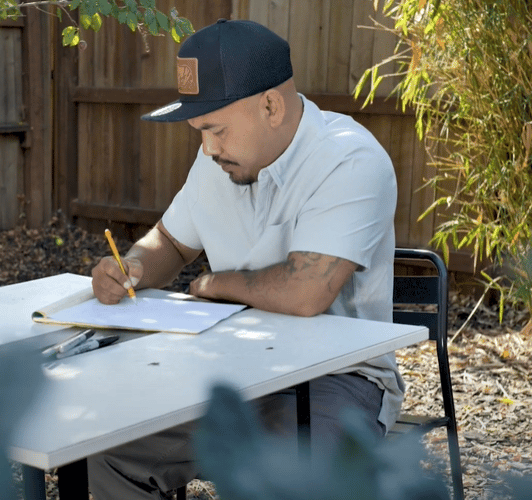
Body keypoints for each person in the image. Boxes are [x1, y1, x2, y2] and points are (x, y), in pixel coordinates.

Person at [88, 18, 402, 499]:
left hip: (336, 377)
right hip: (233, 365)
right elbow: (170, 242)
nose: (207, 148)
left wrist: (215, 284)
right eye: (199, 132)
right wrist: (131, 266)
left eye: (216, 130)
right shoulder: (217, 162)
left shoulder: (349, 158)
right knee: (110, 453)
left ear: (271, 106)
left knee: (284, 479)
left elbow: (305, 292)